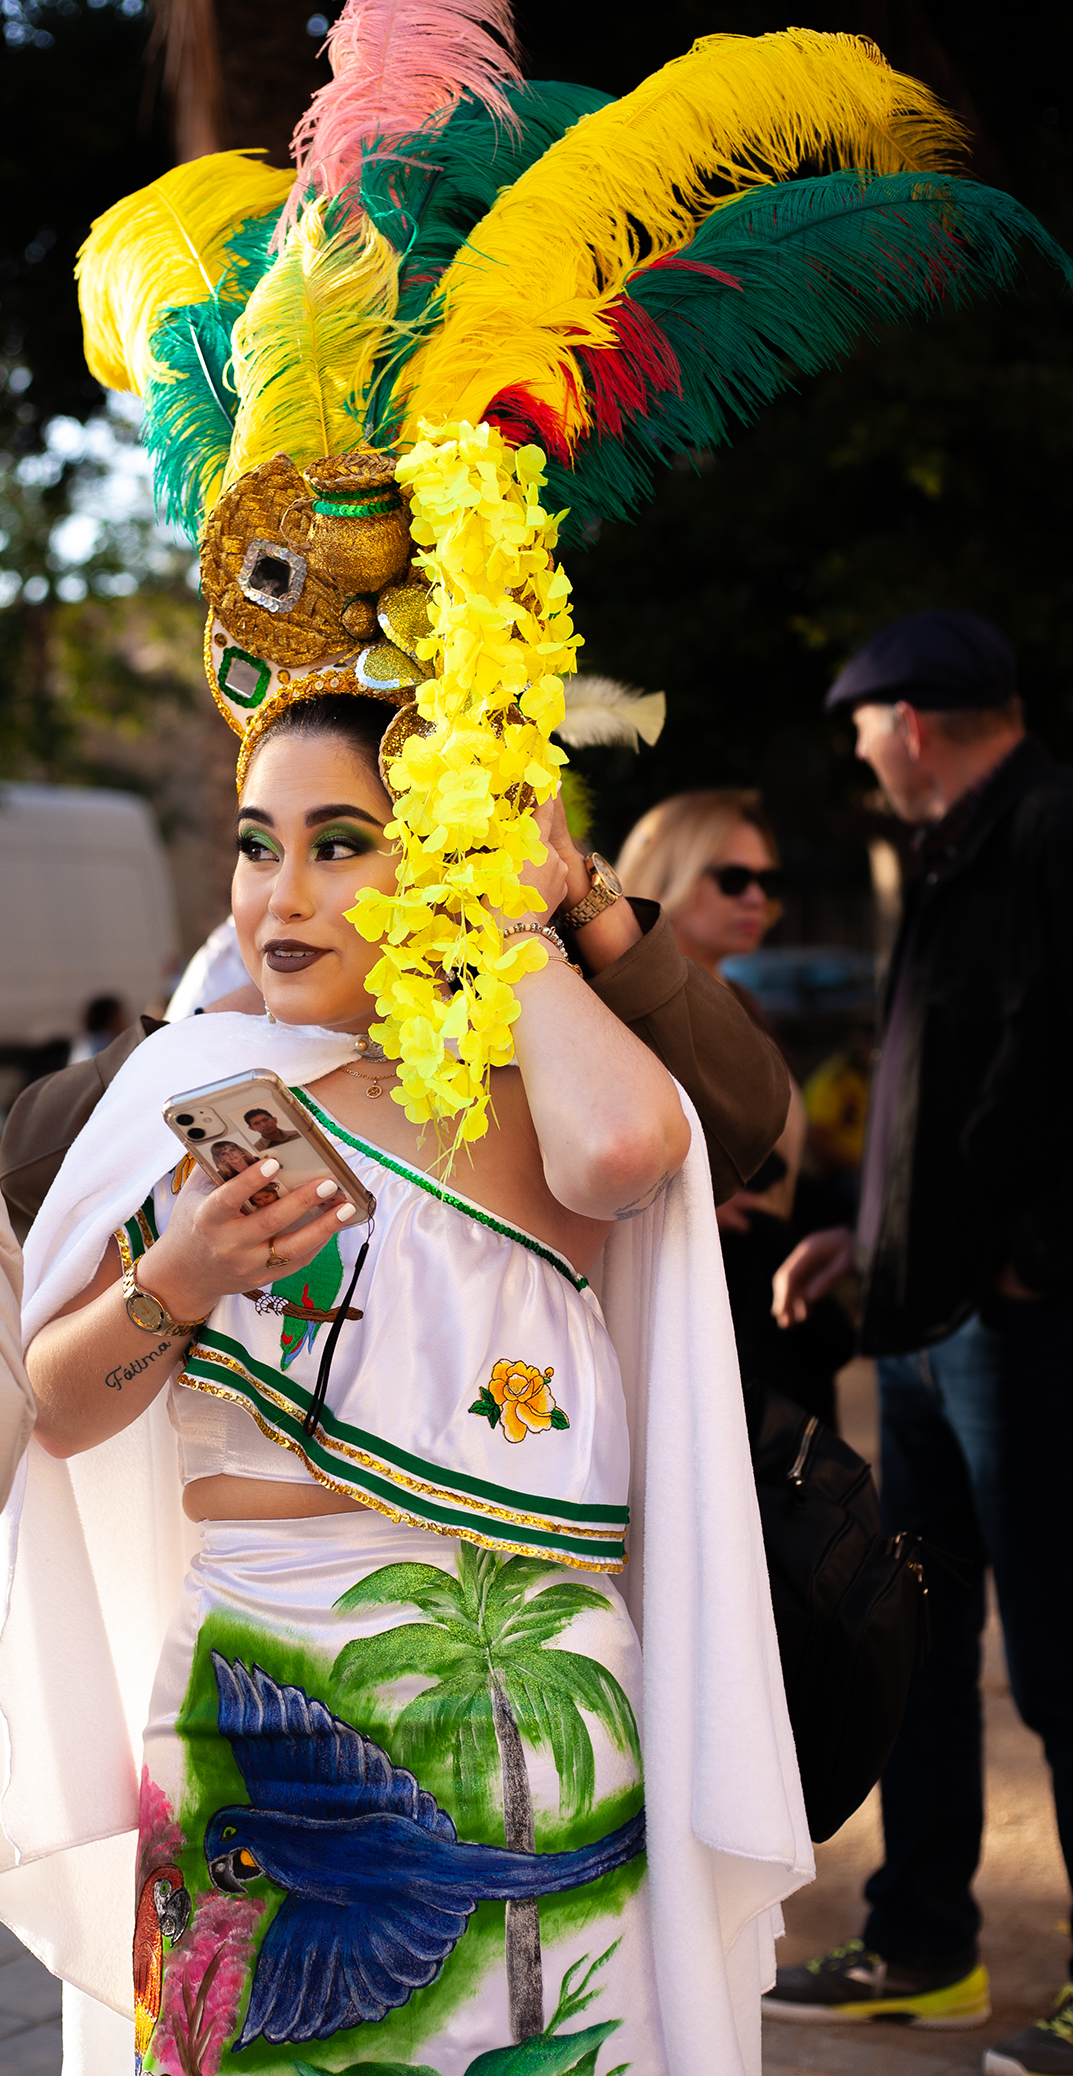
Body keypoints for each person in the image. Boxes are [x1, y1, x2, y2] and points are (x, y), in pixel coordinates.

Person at [764, 608, 1073, 2076]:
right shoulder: (954, 848)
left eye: (862, 723)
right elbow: (932, 1100)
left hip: (1018, 1325)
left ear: (918, 717)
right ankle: (923, 1947)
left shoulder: (1053, 830)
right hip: (924, 1313)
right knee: (919, 1639)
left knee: (1063, 1659)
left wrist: (1026, 1265)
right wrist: (862, 1242)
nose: (858, 750)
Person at [617, 789, 851, 1426]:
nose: (758, 899)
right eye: (734, 879)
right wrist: (688, 1204)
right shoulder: (616, 1007)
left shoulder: (742, 1000)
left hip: (764, 1309)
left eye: (767, 881)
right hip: (685, 1316)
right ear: (670, 870)